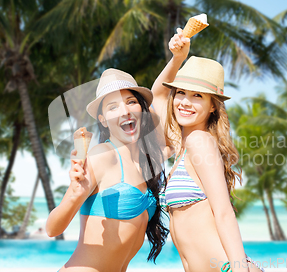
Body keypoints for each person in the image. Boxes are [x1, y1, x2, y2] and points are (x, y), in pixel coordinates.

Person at [150, 29, 265, 272]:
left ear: (213, 105)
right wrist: (177, 58)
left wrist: (239, 269)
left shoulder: (199, 141)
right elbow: (157, 94)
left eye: (197, 96)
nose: (185, 102)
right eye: (180, 92)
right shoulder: (183, 144)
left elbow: (223, 212)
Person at [46, 68, 168, 271]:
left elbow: (163, 100)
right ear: (103, 120)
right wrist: (75, 195)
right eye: (113, 107)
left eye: (131, 102)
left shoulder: (146, 163)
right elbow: (52, 228)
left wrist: (177, 59)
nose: (125, 111)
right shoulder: (102, 155)